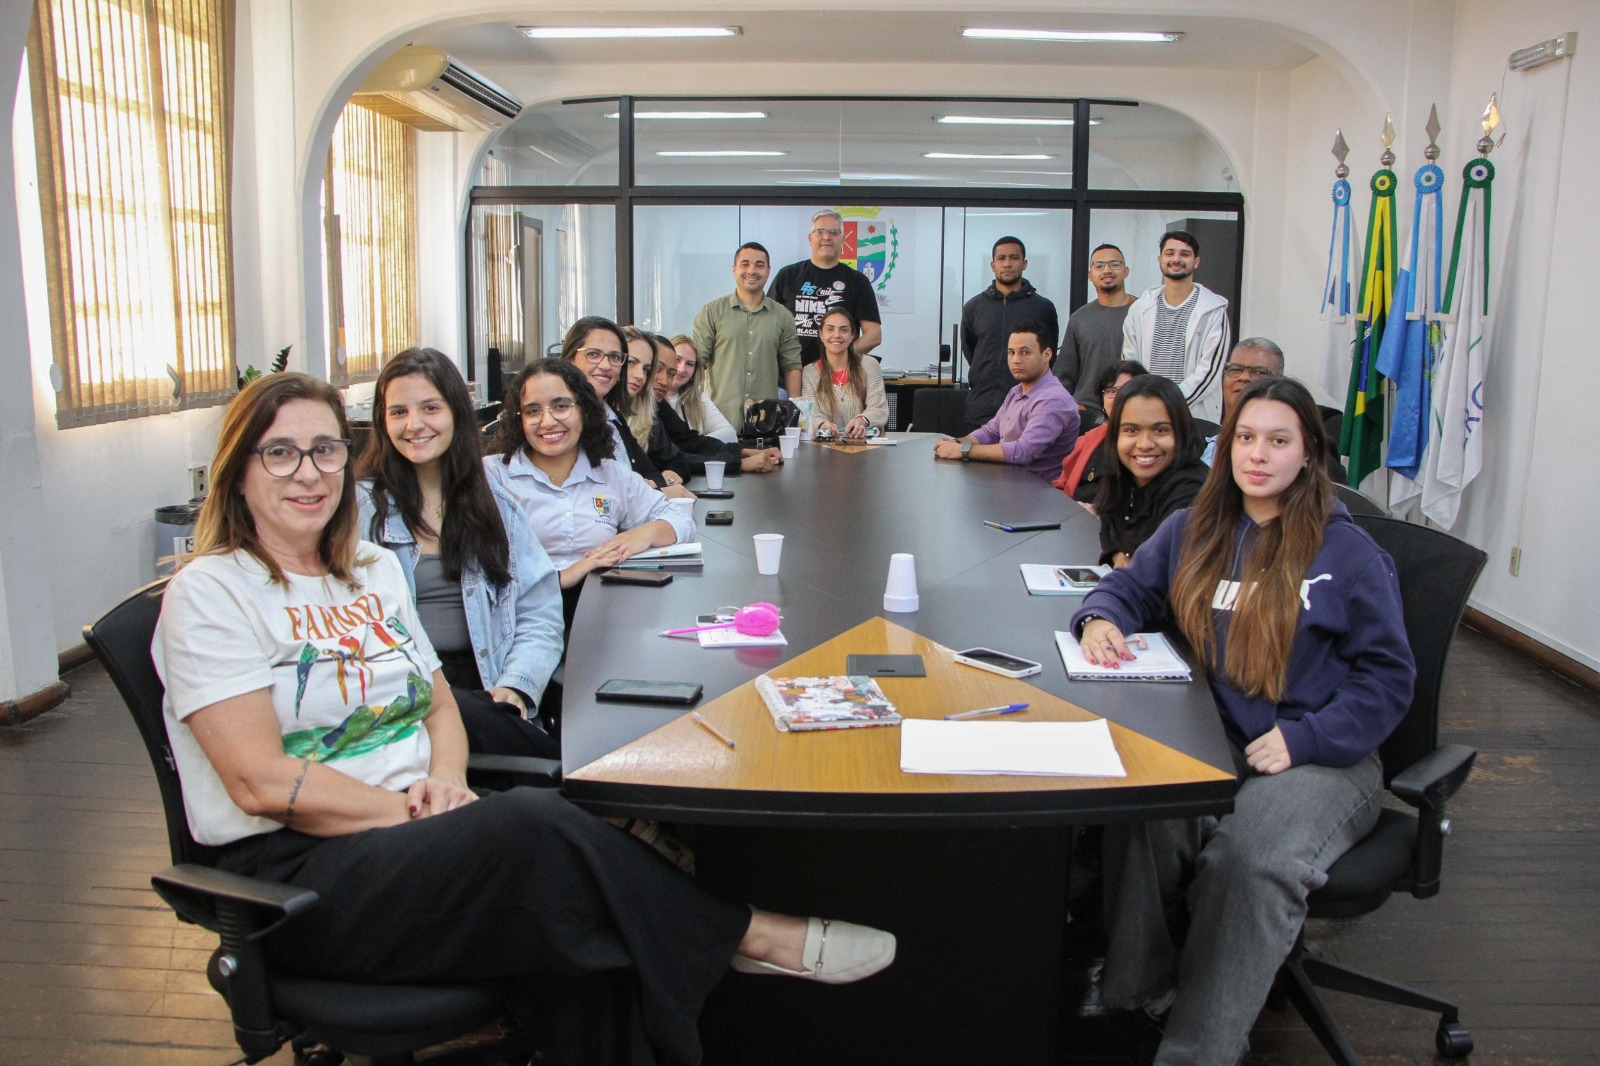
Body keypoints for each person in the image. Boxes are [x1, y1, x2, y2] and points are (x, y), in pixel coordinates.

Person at [153, 372, 897, 1066]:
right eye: (280, 453)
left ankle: (717, 963)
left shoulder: (370, 570)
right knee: (531, 827)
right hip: (302, 877)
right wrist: (414, 812)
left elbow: (439, 701)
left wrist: (448, 780)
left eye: (325, 450)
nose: (309, 472)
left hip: (413, 833)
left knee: (588, 941)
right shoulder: (212, 592)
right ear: (238, 470)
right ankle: (750, 934)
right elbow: (258, 782)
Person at [1069, 375, 1414, 1066]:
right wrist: (1101, 617)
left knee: (1248, 862)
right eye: (1246, 438)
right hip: (1223, 731)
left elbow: (1389, 678)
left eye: (1278, 441)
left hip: (1323, 752)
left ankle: (1198, 1050)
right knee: (1146, 807)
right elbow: (1128, 586)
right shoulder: (1196, 527)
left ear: (1308, 453)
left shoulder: (1348, 555)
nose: (1258, 455)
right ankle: (1148, 990)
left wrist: (1307, 737)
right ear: (1226, 447)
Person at [355, 348, 562, 759]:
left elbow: (539, 612)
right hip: (403, 695)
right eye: (398, 412)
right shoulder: (358, 511)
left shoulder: (497, 505)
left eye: (430, 408)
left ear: (456, 414)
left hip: (489, 684)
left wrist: (517, 685)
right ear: (382, 421)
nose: (414, 425)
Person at [485, 359, 694, 624]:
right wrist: (565, 576)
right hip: (518, 616)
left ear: (584, 409)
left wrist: (643, 533)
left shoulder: (610, 473)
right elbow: (478, 567)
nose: (547, 421)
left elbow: (682, 520)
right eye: (533, 411)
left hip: (601, 613)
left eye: (561, 406)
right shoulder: (494, 475)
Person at [560, 316, 693, 500]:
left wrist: (650, 487)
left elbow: (652, 473)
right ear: (570, 358)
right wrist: (655, 493)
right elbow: (590, 497)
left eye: (615, 357)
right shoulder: (562, 417)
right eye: (594, 354)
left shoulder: (612, 416)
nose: (606, 365)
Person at [932, 320, 1080, 482]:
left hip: (1034, 491)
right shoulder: (1016, 391)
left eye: (1025, 352)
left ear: (1047, 355)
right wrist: (956, 442)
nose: (1016, 360)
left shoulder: (1053, 400)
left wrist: (963, 450)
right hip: (1005, 483)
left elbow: (1023, 452)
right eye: (1011, 352)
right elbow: (990, 432)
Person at [1092, 374, 1209, 568]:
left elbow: (1158, 568)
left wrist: (1129, 564)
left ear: (1181, 432)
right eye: (1131, 430)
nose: (1144, 444)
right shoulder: (1122, 475)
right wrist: (1117, 557)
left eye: (1160, 430)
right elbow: (1108, 534)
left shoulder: (1191, 490)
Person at [1121, 230, 1232, 422]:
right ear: (1160, 260)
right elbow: (1130, 362)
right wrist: (1146, 403)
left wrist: (1170, 403)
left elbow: (1209, 371)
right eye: (1170, 253)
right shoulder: (1140, 308)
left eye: (1185, 254)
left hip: (1193, 415)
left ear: (1196, 262)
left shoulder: (1213, 310)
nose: (1176, 259)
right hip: (1146, 413)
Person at [692, 242, 804, 428]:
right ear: (734, 269)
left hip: (765, 423)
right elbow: (697, 363)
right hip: (719, 419)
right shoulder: (711, 312)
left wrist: (795, 415)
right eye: (745, 264)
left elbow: (792, 365)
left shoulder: (783, 316)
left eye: (759, 265)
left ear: (768, 270)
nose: (752, 270)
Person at [960, 236, 1060, 432]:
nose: (1007, 264)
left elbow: (1048, 357)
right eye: (1001, 258)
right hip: (981, 408)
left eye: (1014, 258)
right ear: (993, 265)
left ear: (1024, 264)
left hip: (1027, 410)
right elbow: (971, 351)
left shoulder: (1043, 308)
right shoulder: (974, 307)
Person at [647, 334, 782, 477]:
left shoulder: (660, 404)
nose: (664, 380)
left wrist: (747, 452)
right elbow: (671, 457)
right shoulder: (641, 406)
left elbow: (692, 442)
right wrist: (740, 463)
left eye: (670, 373)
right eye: (658, 369)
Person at [768, 210, 883, 365]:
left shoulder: (858, 281)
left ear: (843, 240)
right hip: (790, 372)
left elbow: (873, 335)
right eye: (820, 231)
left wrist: (838, 359)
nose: (827, 237)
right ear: (810, 238)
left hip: (838, 374)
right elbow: (767, 326)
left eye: (834, 232)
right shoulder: (787, 275)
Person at [1054, 359, 1147, 502]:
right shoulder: (1088, 439)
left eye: (1127, 390)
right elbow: (1062, 483)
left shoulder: (1146, 445)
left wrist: (1098, 511)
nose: (1119, 397)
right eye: (1111, 391)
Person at [1058, 243, 1136, 407]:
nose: (1107, 270)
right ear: (1090, 275)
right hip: (1087, 408)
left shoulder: (1142, 313)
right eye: (1099, 265)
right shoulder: (1079, 318)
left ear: (1126, 271)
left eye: (1114, 264)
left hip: (1131, 406)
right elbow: (1064, 374)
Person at [802, 307, 889, 440]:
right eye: (830, 329)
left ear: (852, 335)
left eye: (843, 330)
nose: (836, 335)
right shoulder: (809, 372)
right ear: (821, 334)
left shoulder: (869, 365)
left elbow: (879, 408)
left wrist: (862, 420)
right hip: (827, 444)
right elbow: (809, 413)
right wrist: (822, 424)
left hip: (865, 443)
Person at [1200, 338, 1285, 466]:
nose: (1244, 377)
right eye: (1235, 369)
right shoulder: (1195, 443)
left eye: (1258, 372)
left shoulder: (1280, 452)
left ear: (1280, 382)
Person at [666, 334, 738, 443]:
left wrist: (694, 444)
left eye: (689, 364)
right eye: (677, 360)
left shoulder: (698, 397)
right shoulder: (649, 398)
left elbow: (730, 434)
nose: (682, 369)